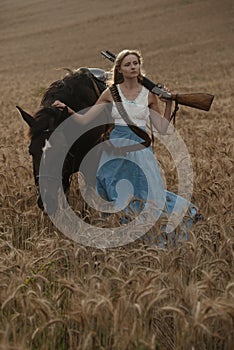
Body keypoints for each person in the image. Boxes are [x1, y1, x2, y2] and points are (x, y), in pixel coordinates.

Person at [53, 49, 198, 245]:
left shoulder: (148, 95)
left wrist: (169, 103)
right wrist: (67, 110)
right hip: (115, 150)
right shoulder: (110, 93)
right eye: (128, 64)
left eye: (136, 63)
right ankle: (123, 236)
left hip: (140, 151)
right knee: (113, 193)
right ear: (119, 69)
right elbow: (86, 119)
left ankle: (150, 235)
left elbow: (162, 129)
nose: (133, 67)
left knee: (147, 195)